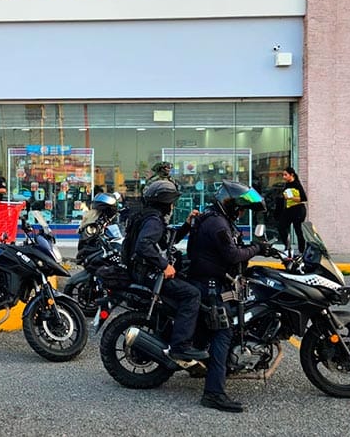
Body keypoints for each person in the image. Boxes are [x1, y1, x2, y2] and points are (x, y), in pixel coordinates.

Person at [186, 180, 269, 413]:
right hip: (209, 286)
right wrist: (257, 248)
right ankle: (213, 393)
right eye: (240, 208)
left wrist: (258, 248)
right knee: (223, 332)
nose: (241, 213)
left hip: (208, 281)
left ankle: (199, 366)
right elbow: (232, 255)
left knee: (213, 330)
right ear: (231, 205)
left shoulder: (214, 218)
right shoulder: (217, 224)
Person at [130, 180, 207, 361]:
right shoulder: (154, 222)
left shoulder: (150, 217)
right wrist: (164, 265)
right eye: (172, 203)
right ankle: (180, 346)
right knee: (192, 294)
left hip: (143, 270)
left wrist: (187, 225)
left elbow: (167, 241)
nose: (173, 207)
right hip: (149, 274)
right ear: (166, 203)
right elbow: (143, 245)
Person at [277, 166, 307, 255]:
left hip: (298, 210)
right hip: (289, 209)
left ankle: (302, 251)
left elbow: (303, 198)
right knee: (281, 227)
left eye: (285, 175)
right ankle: (287, 246)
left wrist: (290, 197)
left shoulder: (297, 184)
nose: (284, 177)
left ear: (292, 175)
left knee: (298, 230)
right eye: (283, 175)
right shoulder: (287, 184)